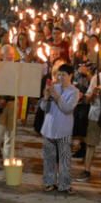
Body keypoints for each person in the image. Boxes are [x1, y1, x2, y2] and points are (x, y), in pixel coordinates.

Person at [39, 62, 79, 193]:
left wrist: (56, 97)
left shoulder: (74, 92)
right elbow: (44, 108)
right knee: (49, 158)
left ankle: (65, 184)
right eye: (59, 74)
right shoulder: (53, 87)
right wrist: (45, 97)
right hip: (49, 128)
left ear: (71, 76)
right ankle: (49, 182)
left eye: (64, 75)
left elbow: (67, 109)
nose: (61, 77)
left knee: (64, 159)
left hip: (64, 129)